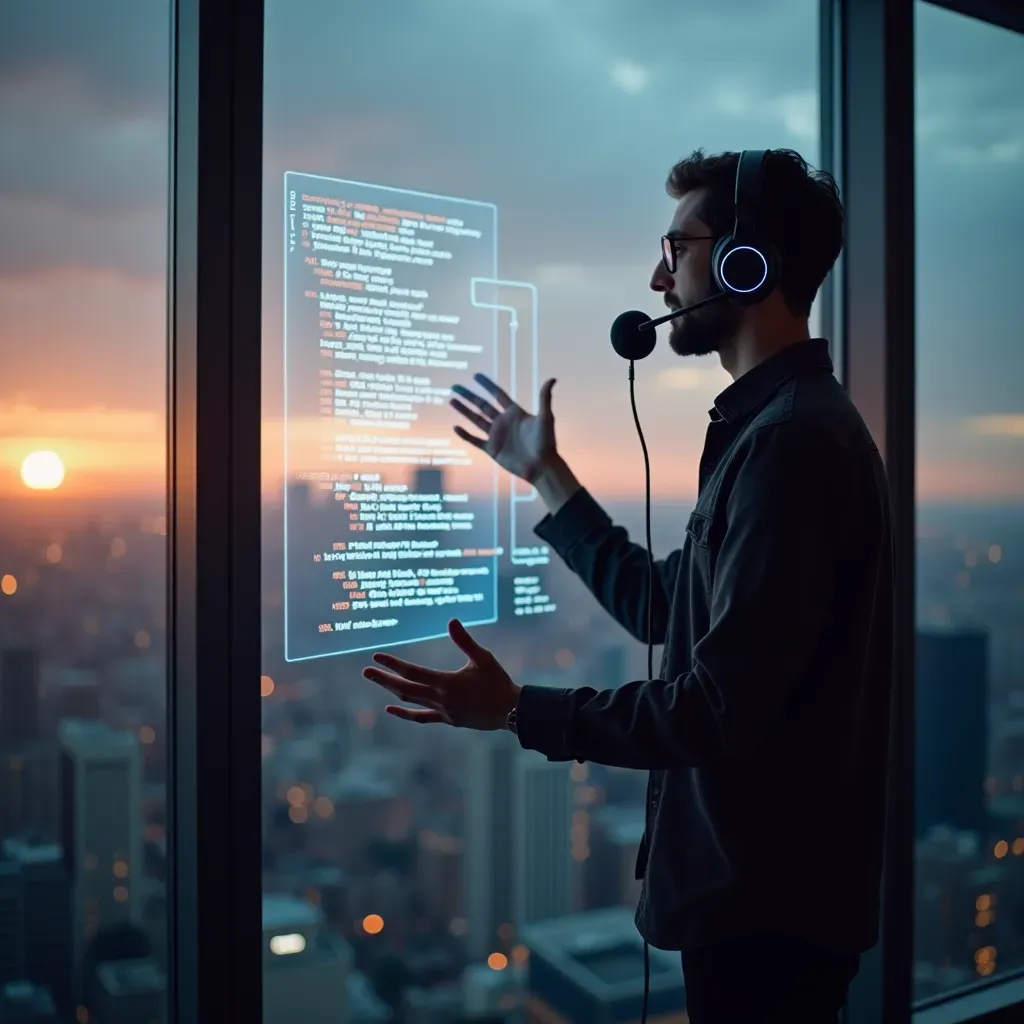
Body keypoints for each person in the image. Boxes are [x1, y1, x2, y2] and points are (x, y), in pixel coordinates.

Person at [362, 148, 894, 1023]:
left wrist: (520, 710)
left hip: (765, 919)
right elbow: (662, 604)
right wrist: (547, 473)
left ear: (742, 261)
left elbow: (719, 709)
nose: (657, 277)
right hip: (761, 906)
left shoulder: (791, 447)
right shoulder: (773, 434)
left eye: (675, 247)